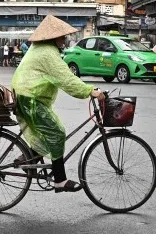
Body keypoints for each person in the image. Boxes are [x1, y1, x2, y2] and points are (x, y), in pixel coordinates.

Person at [11, 15, 105, 193]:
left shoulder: (41, 48)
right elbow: (66, 79)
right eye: (62, 37)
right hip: (29, 98)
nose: (65, 40)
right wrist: (89, 91)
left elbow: (63, 76)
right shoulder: (47, 53)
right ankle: (59, 180)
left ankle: (27, 157)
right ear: (52, 37)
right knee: (56, 132)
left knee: (46, 131)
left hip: (27, 95)